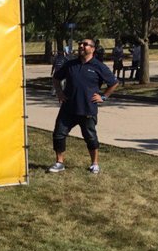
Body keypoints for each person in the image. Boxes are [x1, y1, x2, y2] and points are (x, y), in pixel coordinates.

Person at [49, 38, 118, 174]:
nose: (81, 46)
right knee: (58, 135)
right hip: (68, 108)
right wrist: (59, 93)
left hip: (87, 108)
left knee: (90, 137)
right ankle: (59, 162)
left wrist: (103, 96)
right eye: (80, 44)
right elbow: (56, 78)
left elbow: (114, 82)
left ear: (92, 49)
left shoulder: (99, 66)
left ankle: (94, 164)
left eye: (85, 44)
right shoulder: (70, 64)